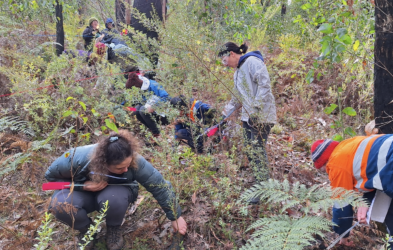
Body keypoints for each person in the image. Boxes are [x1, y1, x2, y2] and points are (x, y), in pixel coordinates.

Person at [45, 130, 187, 250]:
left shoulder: (135, 160)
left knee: (114, 198)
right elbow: (48, 184)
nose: (126, 169)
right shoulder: (76, 158)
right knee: (60, 204)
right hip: (83, 193)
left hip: (116, 192)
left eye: (128, 165)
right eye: (120, 168)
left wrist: (175, 216)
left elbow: (159, 185)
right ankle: (86, 230)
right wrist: (83, 186)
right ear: (104, 163)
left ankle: (113, 228)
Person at [311, 135, 393, 249]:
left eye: (324, 170)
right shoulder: (349, 146)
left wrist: (343, 234)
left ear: (324, 163)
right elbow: (374, 171)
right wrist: (365, 202)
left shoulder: (335, 164)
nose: (327, 173)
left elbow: (341, 205)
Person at [218, 42, 276, 204]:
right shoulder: (237, 73)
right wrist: (225, 114)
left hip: (262, 116)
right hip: (247, 117)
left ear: (231, 54)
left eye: (224, 60)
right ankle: (260, 184)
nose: (225, 64)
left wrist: (256, 110)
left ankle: (264, 190)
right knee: (250, 150)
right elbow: (237, 97)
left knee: (256, 150)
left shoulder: (252, 62)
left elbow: (265, 86)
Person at [125, 73, 170, 139]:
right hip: (153, 114)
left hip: (164, 114)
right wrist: (127, 109)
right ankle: (152, 129)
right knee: (137, 110)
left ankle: (157, 133)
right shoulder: (141, 91)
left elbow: (167, 98)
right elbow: (140, 104)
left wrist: (155, 106)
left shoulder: (153, 85)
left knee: (143, 110)